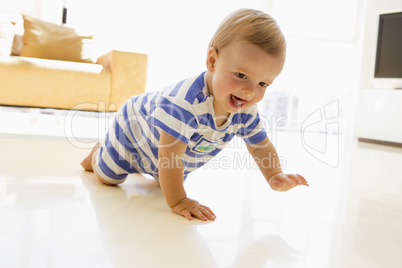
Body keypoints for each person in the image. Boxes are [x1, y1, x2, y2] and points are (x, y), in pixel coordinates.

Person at [81, 8, 308, 221]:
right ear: (212, 61)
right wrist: (179, 200)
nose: (250, 91)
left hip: (168, 153)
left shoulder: (245, 109)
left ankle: (150, 169)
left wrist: (274, 175)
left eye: (263, 83)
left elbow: (260, 145)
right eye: (241, 75)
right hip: (133, 130)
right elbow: (169, 156)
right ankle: (97, 154)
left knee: (166, 179)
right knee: (109, 177)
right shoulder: (186, 103)